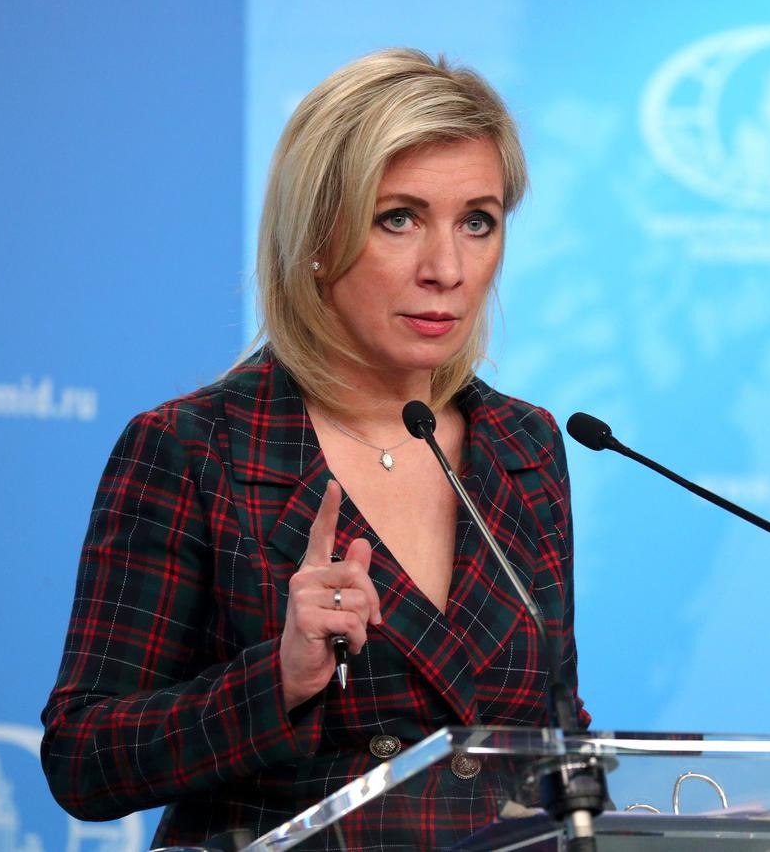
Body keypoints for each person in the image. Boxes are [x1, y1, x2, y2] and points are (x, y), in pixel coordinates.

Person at [40, 48, 588, 850]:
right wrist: (281, 677)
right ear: (319, 236)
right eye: (398, 218)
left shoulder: (523, 444)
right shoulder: (194, 450)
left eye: (477, 221)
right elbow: (83, 758)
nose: (447, 268)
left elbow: (555, 728)